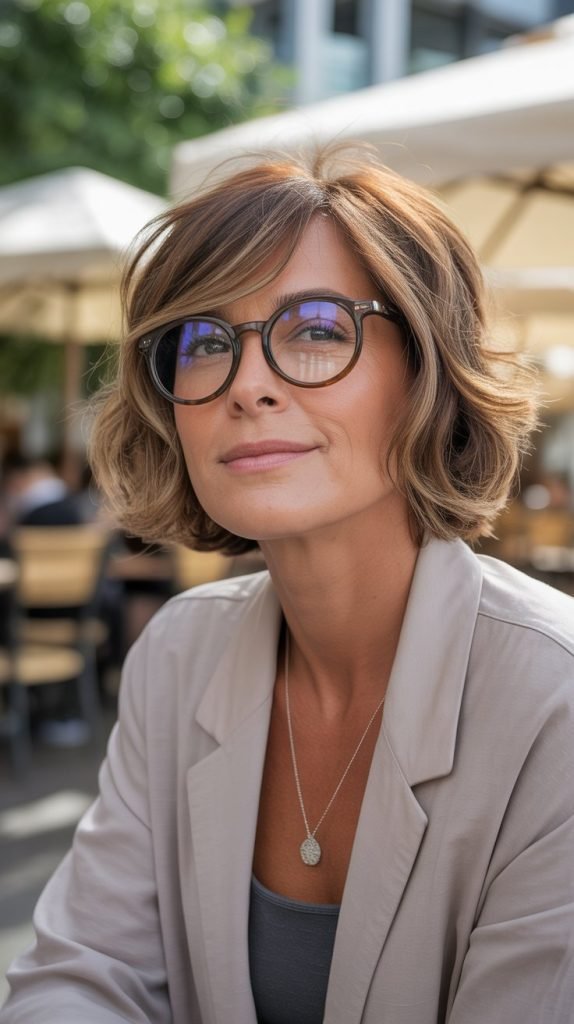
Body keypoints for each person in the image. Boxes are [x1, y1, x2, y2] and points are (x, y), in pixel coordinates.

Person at [1, 150, 573, 1024]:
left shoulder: (554, 701)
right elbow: (80, 977)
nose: (249, 384)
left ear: (425, 370)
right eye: (205, 341)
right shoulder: (178, 654)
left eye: (315, 328)